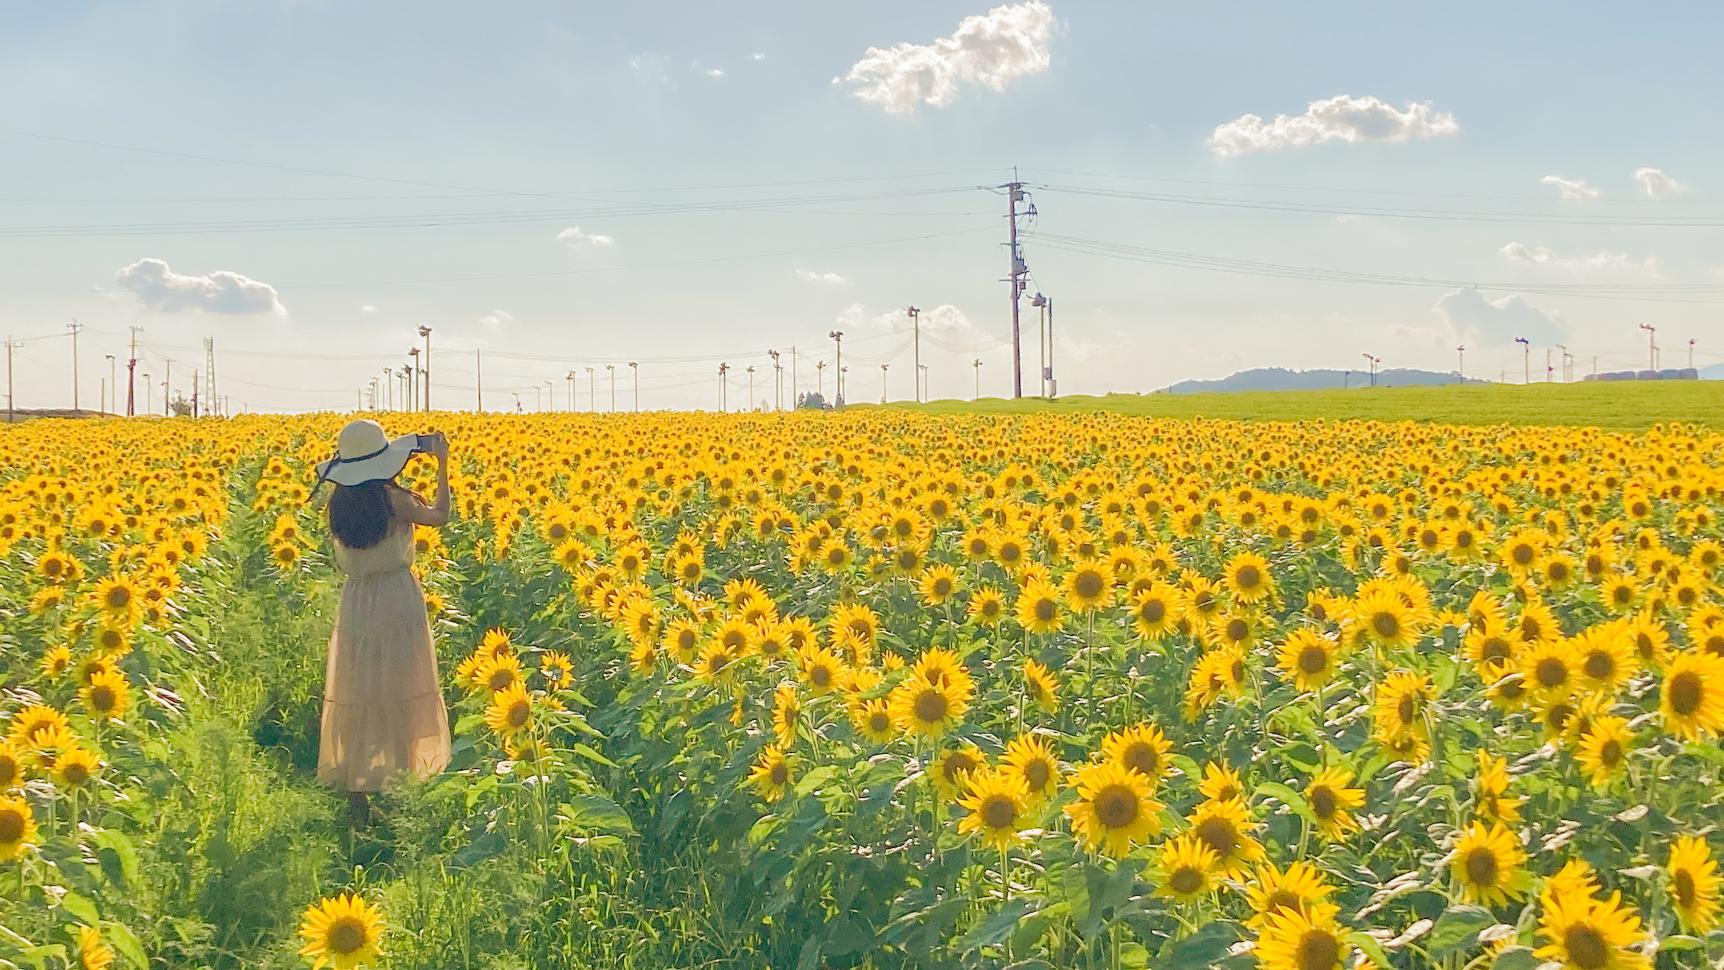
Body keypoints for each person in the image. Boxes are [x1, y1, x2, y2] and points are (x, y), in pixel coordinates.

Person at [312, 419, 453, 825]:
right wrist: (442, 464)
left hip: (356, 601)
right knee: (401, 685)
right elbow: (440, 516)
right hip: (396, 598)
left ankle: (358, 792)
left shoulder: (337, 507)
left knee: (360, 689)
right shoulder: (394, 501)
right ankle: (401, 781)